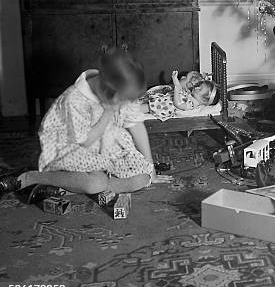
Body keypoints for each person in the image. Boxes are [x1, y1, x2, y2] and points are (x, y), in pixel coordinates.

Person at [0, 48, 172, 198]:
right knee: (95, 184)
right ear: (108, 91)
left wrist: (150, 168)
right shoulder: (74, 100)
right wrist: (108, 113)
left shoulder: (119, 87)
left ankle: (69, 186)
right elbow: (85, 141)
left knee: (142, 179)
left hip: (104, 145)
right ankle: (32, 177)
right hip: (71, 147)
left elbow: (136, 125)